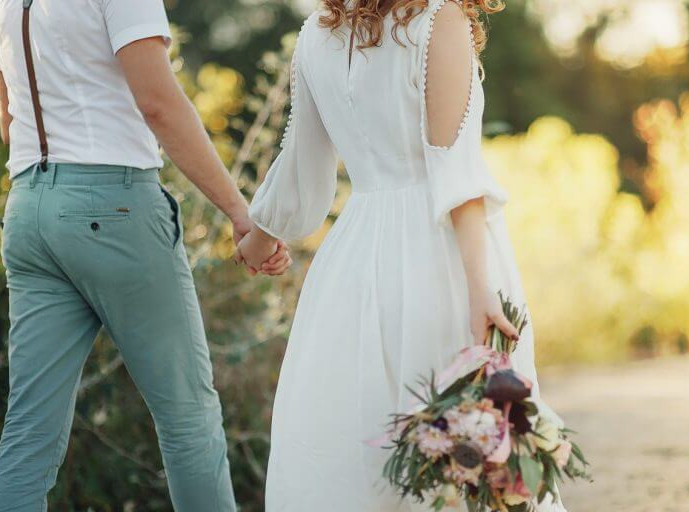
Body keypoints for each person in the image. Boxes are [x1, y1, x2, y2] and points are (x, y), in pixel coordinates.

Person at [235, 0, 566, 509]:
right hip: (439, 255)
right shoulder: (439, 20)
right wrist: (482, 289)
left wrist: (260, 236)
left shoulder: (317, 33)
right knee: (464, 449)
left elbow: (303, 164)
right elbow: (455, 172)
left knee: (355, 439)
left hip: (351, 261)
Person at [0, 0, 288, 509]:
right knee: (187, 414)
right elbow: (159, 104)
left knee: (28, 429)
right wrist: (239, 213)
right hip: (114, 207)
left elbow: (7, 116)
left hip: (28, 209)